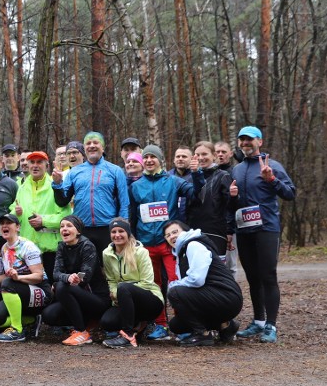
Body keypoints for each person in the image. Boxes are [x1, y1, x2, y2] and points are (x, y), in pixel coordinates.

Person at [128, 144, 199, 341]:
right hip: (145, 243)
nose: (149, 160)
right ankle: (160, 325)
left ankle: (182, 323)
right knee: (153, 285)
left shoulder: (173, 181)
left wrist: (197, 174)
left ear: (160, 160)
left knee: (176, 283)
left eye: (153, 157)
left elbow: (195, 194)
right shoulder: (135, 186)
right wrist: (133, 237)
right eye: (146, 157)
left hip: (168, 243)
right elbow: (132, 215)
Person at [231, 126, 296, 343]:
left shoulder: (273, 165)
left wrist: (272, 180)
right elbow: (234, 203)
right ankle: (258, 321)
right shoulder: (237, 169)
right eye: (242, 140)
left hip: (267, 228)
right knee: (252, 278)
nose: (245, 143)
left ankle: (271, 325)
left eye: (249, 139)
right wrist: (232, 197)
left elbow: (290, 193)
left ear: (260, 141)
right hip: (244, 229)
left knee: (268, 276)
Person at [52, 131, 129, 296]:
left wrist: (123, 229)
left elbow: (124, 202)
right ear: (84, 149)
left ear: (103, 147)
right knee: (85, 272)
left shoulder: (115, 171)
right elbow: (62, 201)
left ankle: (115, 304)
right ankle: (91, 307)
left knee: (113, 270)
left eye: (96, 143)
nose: (92, 146)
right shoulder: (74, 172)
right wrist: (57, 185)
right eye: (88, 143)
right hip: (83, 230)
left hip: (107, 229)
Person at [163, 221, 243, 347]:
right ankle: (225, 326)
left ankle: (202, 334)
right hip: (214, 297)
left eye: (175, 232)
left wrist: (173, 286)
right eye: (168, 235)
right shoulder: (181, 252)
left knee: (175, 292)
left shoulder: (193, 245)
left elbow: (196, 279)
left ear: (186, 231)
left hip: (227, 296)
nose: (172, 236)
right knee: (176, 325)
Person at [40, 215, 108, 346]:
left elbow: (85, 277)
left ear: (78, 231)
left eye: (69, 226)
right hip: (76, 294)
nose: (64, 229)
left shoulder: (87, 246)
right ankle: (83, 325)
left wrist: (71, 279)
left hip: (97, 298)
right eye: (62, 226)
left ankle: (81, 332)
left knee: (61, 286)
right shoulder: (61, 246)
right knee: (49, 315)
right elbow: (56, 273)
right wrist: (68, 277)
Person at [0, 214, 52, 343]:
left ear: (17, 227)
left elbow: (38, 276)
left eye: (8, 223)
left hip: (41, 291)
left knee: (8, 283)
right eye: (2, 223)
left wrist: (19, 277)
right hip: (18, 290)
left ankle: (17, 330)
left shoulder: (28, 246)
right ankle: (31, 320)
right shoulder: (5, 247)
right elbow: (9, 275)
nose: (4, 225)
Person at [100, 218, 164, 349]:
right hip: (124, 300)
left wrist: (122, 291)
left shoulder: (141, 252)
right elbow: (111, 279)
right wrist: (115, 293)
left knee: (123, 287)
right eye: (113, 231)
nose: (117, 235)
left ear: (128, 233)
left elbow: (147, 282)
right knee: (107, 322)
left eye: (121, 231)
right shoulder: (106, 254)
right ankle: (140, 326)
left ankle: (128, 335)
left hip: (150, 299)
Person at [10, 150, 69, 279]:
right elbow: (13, 213)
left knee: (52, 289)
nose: (35, 165)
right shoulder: (22, 187)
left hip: (50, 250)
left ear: (47, 166)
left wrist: (43, 221)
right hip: (28, 249)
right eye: (32, 162)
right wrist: (17, 213)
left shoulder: (56, 185)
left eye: (39, 162)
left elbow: (67, 217)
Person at [187, 141, 237, 258]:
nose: (201, 158)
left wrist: (233, 196)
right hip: (193, 232)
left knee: (216, 272)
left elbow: (231, 208)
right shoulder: (189, 178)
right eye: (197, 155)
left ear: (214, 156)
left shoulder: (223, 176)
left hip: (216, 233)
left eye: (204, 154)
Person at [214, 140, 239, 276]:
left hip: (230, 227)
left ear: (230, 154)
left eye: (223, 152)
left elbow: (233, 205)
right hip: (213, 226)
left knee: (230, 265)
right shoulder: (208, 173)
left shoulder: (235, 173)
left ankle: (232, 295)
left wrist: (230, 229)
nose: (220, 155)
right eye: (217, 152)